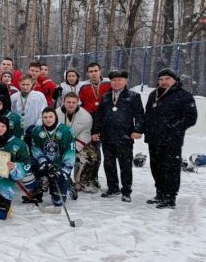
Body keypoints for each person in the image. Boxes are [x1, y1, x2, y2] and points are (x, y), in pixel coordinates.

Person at [143, 69, 198, 209]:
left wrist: (174, 128)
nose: (164, 82)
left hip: (171, 140)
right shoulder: (153, 94)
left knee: (171, 169)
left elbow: (191, 118)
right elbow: (148, 114)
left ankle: (170, 197)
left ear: (175, 79)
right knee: (156, 167)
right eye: (161, 79)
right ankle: (160, 193)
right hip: (154, 138)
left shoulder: (184, 96)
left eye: (167, 78)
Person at [91, 70, 144, 202]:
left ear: (125, 81)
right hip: (107, 136)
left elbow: (140, 115)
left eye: (120, 80)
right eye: (114, 80)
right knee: (109, 164)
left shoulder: (133, 96)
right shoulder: (106, 96)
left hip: (124, 136)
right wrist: (95, 131)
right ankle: (113, 188)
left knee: (125, 165)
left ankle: (126, 191)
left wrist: (138, 130)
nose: (116, 82)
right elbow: (99, 115)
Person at [23, 108, 75, 207]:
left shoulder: (66, 131)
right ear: (42, 118)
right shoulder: (37, 131)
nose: (48, 119)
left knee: (58, 202)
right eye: (45, 117)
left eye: (50, 116)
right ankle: (36, 190)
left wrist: (62, 171)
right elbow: (35, 149)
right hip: (44, 163)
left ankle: (68, 185)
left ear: (55, 117)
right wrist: (43, 162)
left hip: (59, 165)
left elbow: (70, 153)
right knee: (25, 167)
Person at [57, 92, 95, 193]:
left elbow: (85, 134)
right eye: (68, 102)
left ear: (78, 102)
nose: (71, 104)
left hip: (76, 145)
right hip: (58, 146)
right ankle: (55, 179)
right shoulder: (55, 114)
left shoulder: (86, 116)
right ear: (63, 102)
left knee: (90, 155)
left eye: (74, 102)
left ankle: (81, 181)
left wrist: (73, 149)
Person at [9, 74, 49, 146]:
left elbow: (43, 112)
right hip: (18, 130)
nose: (25, 87)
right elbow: (11, 113)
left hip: (33, 129)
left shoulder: (39, 96)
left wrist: (37, 127)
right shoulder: (13, 97)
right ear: (19, 84)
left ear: (32, 84)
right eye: (23, 84)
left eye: (28, 84)